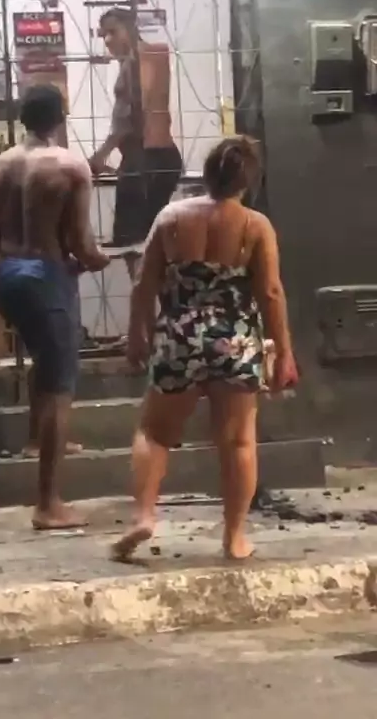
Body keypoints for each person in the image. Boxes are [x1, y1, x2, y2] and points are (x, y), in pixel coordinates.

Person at [111, 135, 299, 561]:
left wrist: (138, 334)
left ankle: (144, 516)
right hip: (235, 342)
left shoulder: (171, 217)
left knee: (154, 433)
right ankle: (234, 537)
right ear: (248, 181)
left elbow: (143, 283)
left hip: (179, 336)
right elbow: (270, 292)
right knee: (238, 442)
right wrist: (285, 352)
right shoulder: (255, 226)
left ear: (207, 172)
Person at [0, 84, 110, 529]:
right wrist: (99, 260)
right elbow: (80, 242)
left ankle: (38, 440)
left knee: (43, 358)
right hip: (45, 274)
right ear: (59, 119)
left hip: (7, 275)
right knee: (60, 386)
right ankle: (48, 504)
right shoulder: (70, 166)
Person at [89, 7, 183, 281]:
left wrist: (101, 155)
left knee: (133, 244)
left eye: (112, 31)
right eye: (103, 34)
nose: (107, 40)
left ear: (131, 28)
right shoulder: (153, 56)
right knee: (149, 240)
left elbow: (132, 116)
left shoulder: (137, 62)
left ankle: (145, 303)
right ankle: (157, 301)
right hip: (162, 157)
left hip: (145, 160)